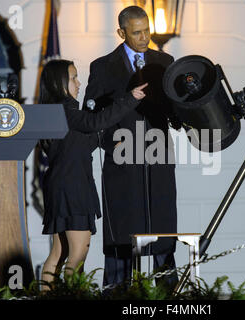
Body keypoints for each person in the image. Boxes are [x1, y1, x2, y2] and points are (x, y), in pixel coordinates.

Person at [83, 5, 182, 289]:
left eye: (147, 31)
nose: (144, 37)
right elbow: (93, 113)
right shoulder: (102, 67)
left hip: (158, 158)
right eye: (136, 33)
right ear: (121, 33)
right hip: (122, 162)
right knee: (123, 231)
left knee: (162, 226)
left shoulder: (165, 61)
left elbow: (174, 109)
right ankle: (117, 292)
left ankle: (167, 293)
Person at [39, 59, 148, 290]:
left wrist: (110, 142)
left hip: (64, 186)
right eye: (73, 78)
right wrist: (130, 99)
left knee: (60, 253)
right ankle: (72, 296)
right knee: (78, 252)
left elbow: (81, 143)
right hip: (73, 188)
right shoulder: (65, 111)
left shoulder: (58, 113)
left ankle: (48, 296)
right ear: (58, 83)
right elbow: (96, 122)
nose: (78, 83)